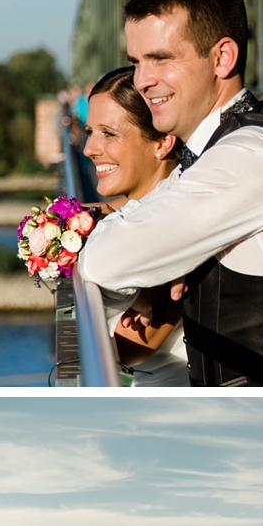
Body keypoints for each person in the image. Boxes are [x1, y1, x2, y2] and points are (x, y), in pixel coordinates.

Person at [78, 0, 263, 386]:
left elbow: (103, 260)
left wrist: (163, 258)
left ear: (222, 57)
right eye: (136, 62)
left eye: (161, 58)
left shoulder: (251, 153)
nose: (143, 80)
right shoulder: (209, 150)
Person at [82, 67, 190, 385]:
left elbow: (132, 347)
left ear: (163, 143)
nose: (89, 148)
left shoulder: (174, 228)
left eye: (109, 134)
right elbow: (129, 209)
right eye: (90, 132)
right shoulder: (149, 205)